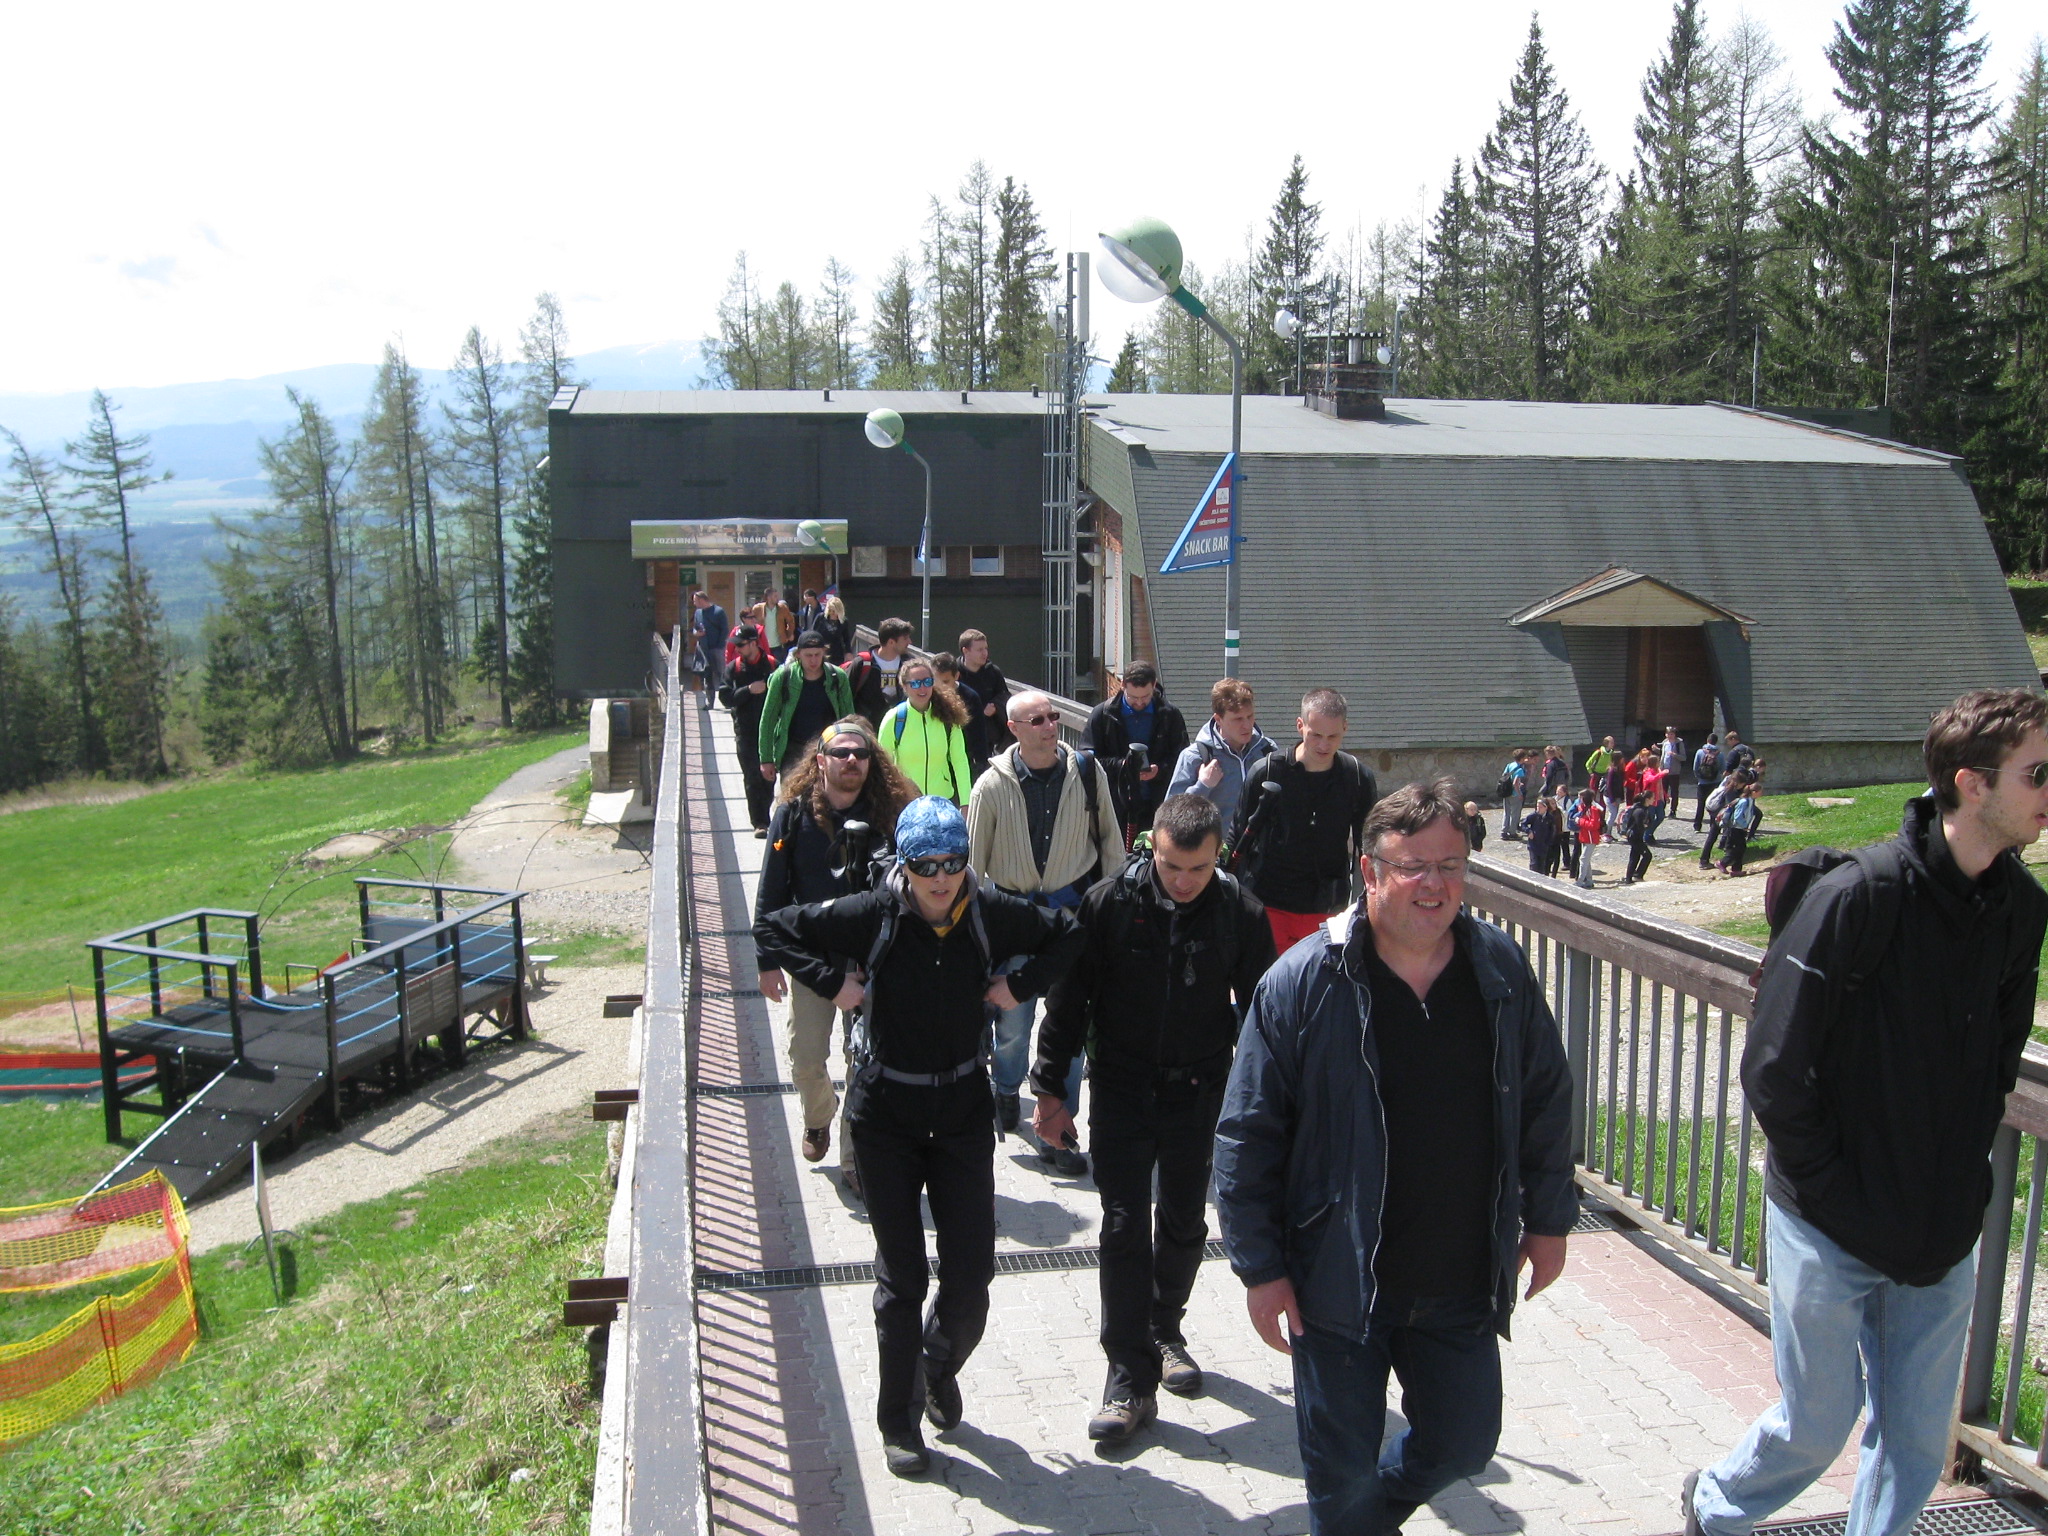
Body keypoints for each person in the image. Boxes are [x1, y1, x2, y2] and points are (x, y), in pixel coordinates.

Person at [1682, 687, 2048, 1536]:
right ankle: (1715, 1506)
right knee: (1817, 1423)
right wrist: (1834, 1190)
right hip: (1829, 1219)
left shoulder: (2022, 909)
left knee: (1915, 1441)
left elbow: (1997, 1058)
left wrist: (1959, 1183)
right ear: (1972, 784)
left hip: (1939, 1225)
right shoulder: (1861, 896)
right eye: (2037, 773)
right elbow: (1773, 1068)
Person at [1214, 780, 1576, 1536]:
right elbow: (1247, 1134)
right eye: (1413, 866)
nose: (1433, 885)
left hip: (1458, 1274)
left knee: (1465, 1441)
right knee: (1340, 1477)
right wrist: (1260, 1268)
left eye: (1450, 866)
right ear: (1370, 872)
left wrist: (1548, 1220)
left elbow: (1544, 1097)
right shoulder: (1303, 982)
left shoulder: (1499, 970)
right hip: (1336, 1281)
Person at [756, 796, 1084, 1477]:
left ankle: (937, 1363)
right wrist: (831, 982)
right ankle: (898, 1422)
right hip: (886, 1117)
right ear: (904, 865)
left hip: (961, 1112)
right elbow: (775, 926)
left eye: (953, 863)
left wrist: (1021, 983)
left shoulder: (988, 911)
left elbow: (1073, 930)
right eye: (926, 865)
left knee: (971, 1278)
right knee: (901, 1278)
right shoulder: (872, 914)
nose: (941, 879)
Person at [1033, 794, 1277, 1443]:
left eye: (1198, 868)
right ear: (1152, 848)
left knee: (1184, 1220)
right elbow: (1068, 1001)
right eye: (1171, 866)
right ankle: (1128, 1375)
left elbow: (1266, 1017)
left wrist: (1272, 1107)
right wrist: (1050, 1092)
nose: (1183, 881)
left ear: (1218, 856)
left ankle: (1164, 1328)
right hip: (1122, 1086)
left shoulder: (1240, 914)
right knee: (1122, 1225)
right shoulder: (1110, 904)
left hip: (1199, 1090)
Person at [966, 690, 1124, 1172]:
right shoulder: (990, 786)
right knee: (1014, 1024)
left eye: (1053, 716)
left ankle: (1059, 1127)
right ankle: (1006, 1088)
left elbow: (1111, 844)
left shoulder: (1086, 773)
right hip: (1014, 920)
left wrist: (1115, 911)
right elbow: (971, 868)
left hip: (1070, 918)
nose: (1050, 725)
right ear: (1013, 728)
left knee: (1067, 1027)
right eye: (1036, 720)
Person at [755, 718, 913, 1185]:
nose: (851, 761)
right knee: (806, 1058)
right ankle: (819, 1116)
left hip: (873, 957)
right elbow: (770, 891)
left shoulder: (890, 814)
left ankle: (854, 1159)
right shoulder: (792, 815)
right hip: (814, 958)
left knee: (862, 1060)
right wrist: (767, 961)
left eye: (860, 754)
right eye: (841, 753)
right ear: (820, 761)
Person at [1228, 689, 1381, 956]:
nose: (1323, 745)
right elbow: (1238, 837)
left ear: (1345, 728)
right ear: (1300, 726)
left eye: (1333, 736)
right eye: (1316, 735)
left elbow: (1370, 846)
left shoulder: (1357, 778)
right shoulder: (1267, 772)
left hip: (1327, 907)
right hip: (1269, 903)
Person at [1086, 662, 1191, 840]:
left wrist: (1159, 770)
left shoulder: (1170, 715)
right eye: (1133, 697)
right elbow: (1089, 758)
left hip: (1158, 806)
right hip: (1114, 806)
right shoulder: (1102, 715)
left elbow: (1183, 758)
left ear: (1154, 685)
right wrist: (1123, 766)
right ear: (1122, 685)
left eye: (1146, 697)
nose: (1140, 702)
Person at [1166, 678, 1281, 838]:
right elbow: (1170, 817)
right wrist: (1203, 786)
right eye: (1238, 719)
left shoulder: (1267, 751)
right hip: (1214, 849)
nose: (1247, 725)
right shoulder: (1195, 756)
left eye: (1250, 716)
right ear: (1218, 719)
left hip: (1259, 849)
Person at [757, 632, 855, 789]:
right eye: (808, 655)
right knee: (792, 797)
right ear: (798, 654)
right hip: (793, 750)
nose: (813, 660)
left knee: (825, 798)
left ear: (824, 652)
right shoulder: (784, 677)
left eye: (817, 654)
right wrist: (766, 759)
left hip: (827, 749)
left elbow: (848, 717)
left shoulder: (837, 677)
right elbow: (768, 719)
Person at [879, 656, 975, 805]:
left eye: (927, 682)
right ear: (904, 686)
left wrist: (966, 802)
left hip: (942, 801)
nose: (922, 688)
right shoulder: (894, 719)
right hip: (906, 803)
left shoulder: (947, 717)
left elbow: (960, 761)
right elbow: (883, 767)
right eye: (915, 683)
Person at [718, 625, 778, 835]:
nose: (737, 649)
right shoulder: (733, 668)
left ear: (754, 643)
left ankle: (766, 815)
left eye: (741, 645)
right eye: (736, 645)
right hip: (745, 732)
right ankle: (760, 823)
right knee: (752, 777)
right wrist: (748, 690)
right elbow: (725, 697)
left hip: (770, 731)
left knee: (768, 778)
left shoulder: (772, 665)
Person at [956, 630, 1009, 772]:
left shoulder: (993, 672)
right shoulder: (955, 673)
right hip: (962, 737)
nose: (985, 653)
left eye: (986, 648)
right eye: (979, 650)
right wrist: (980, 712)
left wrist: (996, 707)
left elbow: (1004, 696)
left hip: (989, 739)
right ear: (965, 651)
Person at [847, 618, 914, 726]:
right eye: (905, 638)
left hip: (899, 725)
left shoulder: (909, 663)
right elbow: (846, 697)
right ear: (891, 642)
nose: (910, 642)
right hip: (868, 727)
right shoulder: (862, 664)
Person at [932, 653, 987, 779]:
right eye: (935, 680)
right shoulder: (927, 695)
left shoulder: (970, 697)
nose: (940, 686)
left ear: (956, 676)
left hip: (963, 759)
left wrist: (981, 763)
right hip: (935, 760)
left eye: (946, 681)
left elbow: (979, 733)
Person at [690, 590, 730, 709]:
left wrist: (719, 645)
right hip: (704, 649)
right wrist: (696, 633)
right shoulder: (698, 613)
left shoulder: (718, 611)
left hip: (716, 649)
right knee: (707, 676)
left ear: (702, 600)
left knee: (721, 675)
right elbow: (695, 628)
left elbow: (724, 630)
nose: (694, 604)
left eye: (695, 601)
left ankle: (727, 700)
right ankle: (710, 703)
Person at [1698, 771, 1742, 871]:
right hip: (1722, 817)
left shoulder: (1727, 787)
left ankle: (1704, 860)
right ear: (1737, 783)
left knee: (1712, 837)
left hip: (1716, 814)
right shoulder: (1731, 791)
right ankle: (1724, 861)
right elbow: (1729, 805)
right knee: (1718, 837)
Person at [1717, 783, 1760, 876]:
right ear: (1754, 792)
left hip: (1740, 828)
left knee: (1741, 848)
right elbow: (1737, 817)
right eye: (1760, 792)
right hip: (1735, 828)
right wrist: (1745, 825)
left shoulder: (1750, 801)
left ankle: (1736, 870)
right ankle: (1723, 863)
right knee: (1738, 848)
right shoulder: (1744, 802)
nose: (1761, 794)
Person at [751, 586, 797, 659]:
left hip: (778, 645)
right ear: (768, 597)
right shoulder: (757, 609)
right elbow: (751, 622)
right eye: (775, 596)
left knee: (778, 664)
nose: (777, 598)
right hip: (762, 645)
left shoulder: (782, 608)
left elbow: (791, 621)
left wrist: (789, 634)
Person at [1519, 795, 1558, 875]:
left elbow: (1552, 831)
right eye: (1537, 807)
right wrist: (1529, 831)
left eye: (1540, 807)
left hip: (1544, 845)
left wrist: (1549, 842)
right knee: (1534, 864)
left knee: (1542, 865)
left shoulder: (1550, 818)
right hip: (1533, 844)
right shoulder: (1534, 816)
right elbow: (1523, 824)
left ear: (1546, 807)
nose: (1538, 809)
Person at [1574, 787, 1604, 888]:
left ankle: (1580, 881)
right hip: (1585, 837)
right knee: (1586, 860)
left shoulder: (1593, 810)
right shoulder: (1584, 809)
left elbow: (1594, 825)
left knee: (1583, 859)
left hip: (1591, 838)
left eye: (1581, 797)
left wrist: (1580, 821)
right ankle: (1589, 881)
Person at [1691, 735, 1722, 830]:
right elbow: (1723, 768)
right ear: (1716, 741)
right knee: (1715, 804)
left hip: (1702, 783)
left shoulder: (1700, 752)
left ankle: (1697, 826)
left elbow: (1695, 767)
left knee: (1700, 804)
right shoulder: (1720, 754)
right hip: (1715, 782)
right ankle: (1713, 825)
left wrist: (1699, 777)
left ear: (1707, 740)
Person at [1622, 793, 1654, 884]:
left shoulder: (1645, 809)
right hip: (1634, 836)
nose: (1654, 800)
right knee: (1647, 855)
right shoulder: (1639, 811)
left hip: (1637, 836)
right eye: (1652, 798)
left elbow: (1649, 823)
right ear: (1647, 799)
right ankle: (1636, 875)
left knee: (1635, 856)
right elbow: (1640, 825)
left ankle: (1630, 877)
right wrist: (1645, 825)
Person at [1498, 751, 1529, 841]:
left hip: (1506, 792)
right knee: (1515, 814)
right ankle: (1512, 832)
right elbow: (1515, 782)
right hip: (1514, 794)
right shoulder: (1520, 769)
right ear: (1522, 758)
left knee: (1506, 812)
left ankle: (1504, 831)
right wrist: (1520, 794)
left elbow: (1504, 776)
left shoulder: (1509, 765)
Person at [817, 594, 853, 665]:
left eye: (834, 611)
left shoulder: (843, 621)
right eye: (830, 610)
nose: (832, 613)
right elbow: (813, 633)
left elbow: (846, 639)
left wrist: (848, 652)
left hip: (837, 653)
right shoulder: (820, 618)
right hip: (822, 651)